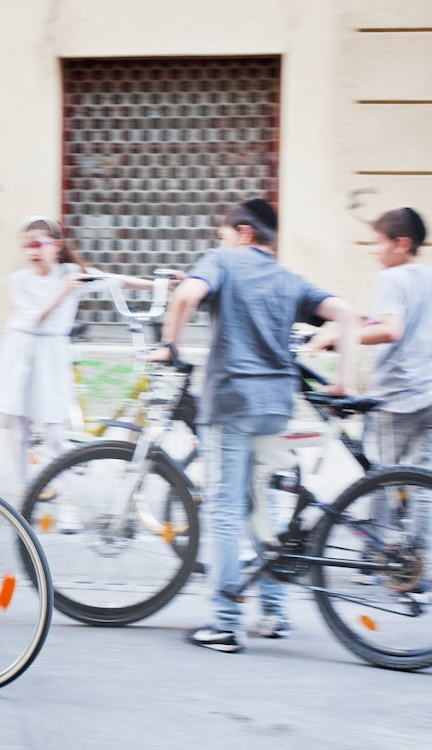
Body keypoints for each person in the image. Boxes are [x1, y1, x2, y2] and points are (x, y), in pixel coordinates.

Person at [146, 198, 359, 653]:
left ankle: (224, 624)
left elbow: (185, 296)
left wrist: (168, 344)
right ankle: (274, 613)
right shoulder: (288, 278)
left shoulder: (223, 260)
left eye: (222, 234)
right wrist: (345, 379)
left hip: (232, 402)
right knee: (265, 503)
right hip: (277, 404)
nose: (219, 243)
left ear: (243, 232)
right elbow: (346, 314)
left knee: (224, 508)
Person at [0, 215, 162, 528]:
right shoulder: (20, 281)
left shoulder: (71, 274)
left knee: (55, 433)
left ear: (56, 245)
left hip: (52, 355)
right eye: (27, 245)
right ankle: (24, 499)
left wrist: (161, 285)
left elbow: (114, 281)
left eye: (38, 244)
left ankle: (67, 503)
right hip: (21, 352)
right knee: (19, 430)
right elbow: (35, 318)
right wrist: (64, 292)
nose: (32, 251)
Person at [311, 207, 432, 562]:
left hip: (397, 395)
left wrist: (343, 336)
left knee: (381, 477)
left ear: (402, 244)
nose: (374, 250)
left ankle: (379, 554)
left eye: (379, 242)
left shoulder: (392, 279)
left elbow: (391, 330)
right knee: (424, 481)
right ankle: (415, 562)